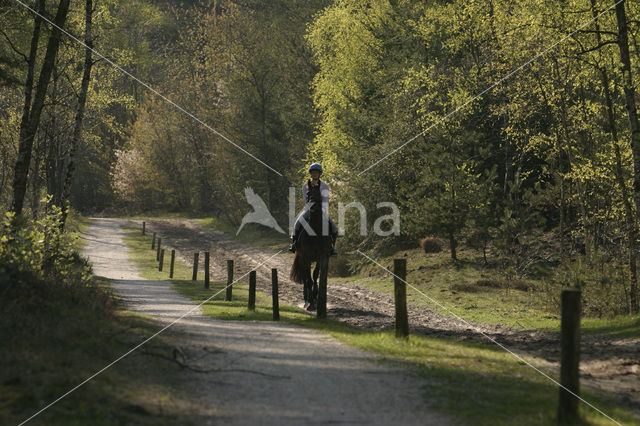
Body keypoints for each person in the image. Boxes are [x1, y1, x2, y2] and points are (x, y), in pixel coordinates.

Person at [289, 162, 338, 256]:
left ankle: (332, 247)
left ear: (319, 174)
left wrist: (320, 209)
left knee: (334, 227)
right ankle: (294, 244)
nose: (314, 174)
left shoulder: (324, 186)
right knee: (297, 224)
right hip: (308, 209)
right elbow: (306, 200)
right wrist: (311, 208)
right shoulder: (305, 186)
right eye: (313, 172)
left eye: (316, 172)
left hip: (321, 209)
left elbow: (325, 200)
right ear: (310, 174)